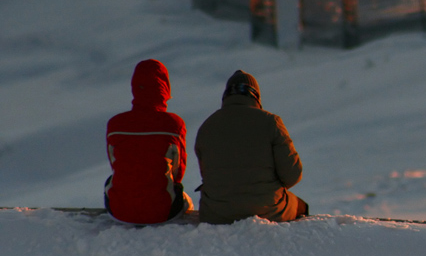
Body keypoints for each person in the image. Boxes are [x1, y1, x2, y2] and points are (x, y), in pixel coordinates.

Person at [195, 70, 308, 224]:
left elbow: (207, 174)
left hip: (216, 213)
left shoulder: (207, 127)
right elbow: (292, 175)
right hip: (267, 210)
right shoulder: (271, 122)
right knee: (301, 206)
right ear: (256, 96)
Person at [105, 59, 191, 224]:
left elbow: (116, 165)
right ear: (164, 87)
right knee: (183, 196)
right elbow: (178, 173)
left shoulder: (115, 124)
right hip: (163, 212)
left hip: (120, 211)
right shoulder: (173, 124)